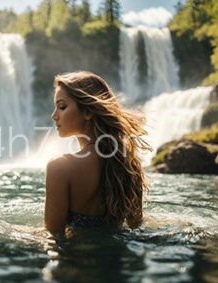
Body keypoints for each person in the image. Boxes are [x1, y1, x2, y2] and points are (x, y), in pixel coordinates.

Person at [45, 71, 151, 237]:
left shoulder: (60, 168)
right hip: (119, 260)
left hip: (76, 260)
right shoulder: (128, 165)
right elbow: (136, 227)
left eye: (62, 106)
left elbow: (53, 237)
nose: (54, 115)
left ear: (88, 112)